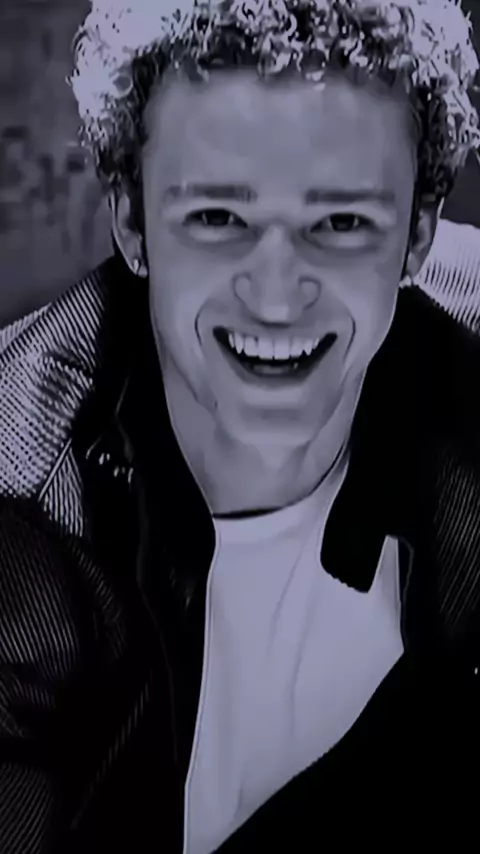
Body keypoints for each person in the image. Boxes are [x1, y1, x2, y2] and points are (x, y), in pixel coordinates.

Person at [2, 0, 480, 851]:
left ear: (417, 234)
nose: (275, 294)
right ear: (131, 219)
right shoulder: (21, 523)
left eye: (341, 222)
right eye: (219, 218)